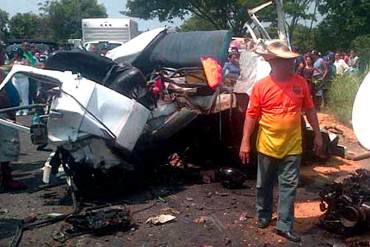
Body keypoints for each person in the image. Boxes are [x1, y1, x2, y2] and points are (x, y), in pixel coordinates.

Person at [239, 40, 323, 243]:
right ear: (273, 63)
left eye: (291, 61)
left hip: (292, 145)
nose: (291, 64)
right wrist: (245, 142)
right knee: (263, 185)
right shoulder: (261, 86)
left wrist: (318, 135)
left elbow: (310, 109)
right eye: (286, 61)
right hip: (267, 144)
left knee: (288, 186)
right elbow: (251, 115)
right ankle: (263, 215)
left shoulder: (300, 83)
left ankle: (284, 225)